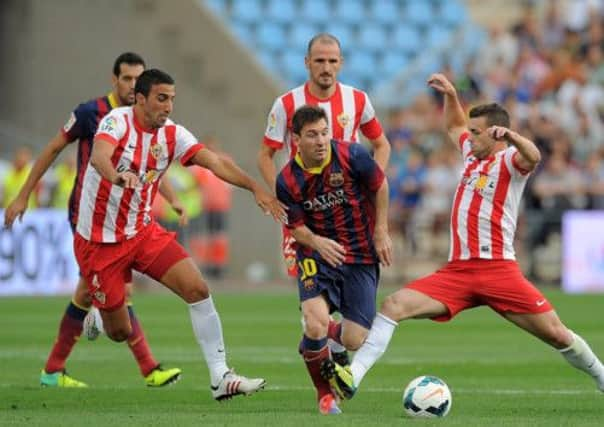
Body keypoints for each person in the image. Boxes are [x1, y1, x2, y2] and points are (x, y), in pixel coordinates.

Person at [324, 73, 604, 401]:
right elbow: (454, 126)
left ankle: (600, 375)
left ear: (495, 134)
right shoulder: (471, 154)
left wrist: (512, 136)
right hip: (458, 272)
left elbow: (534, 157)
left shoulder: (509, 162)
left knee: (557, 334)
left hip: (498, 270)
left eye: (476, 133)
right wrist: (452, 96)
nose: (467, 137)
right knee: (393, 305)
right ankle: (352, 377)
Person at [77, 68, 283, 400]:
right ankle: (100, 315)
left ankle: (221, 377)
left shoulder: (172, 134)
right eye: (161, 99)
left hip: (143, 233)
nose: (169, 106)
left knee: (197, 288)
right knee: (120, 331)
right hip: (100, 242)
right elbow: (100, 157)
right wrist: (117, 177)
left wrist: (254, 188)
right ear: (140, 99)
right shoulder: (117, 121)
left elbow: (214, 162)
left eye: (172, 99)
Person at [3, 53, 183, 388]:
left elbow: (153, 163)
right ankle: (147, 367)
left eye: (137, 79)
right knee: (103, 290)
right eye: (126, 79)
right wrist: (24, 193)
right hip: (90, 220)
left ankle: (54, 370)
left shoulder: (146, 120)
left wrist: (170, 197)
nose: (132, 85)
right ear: (114, 80)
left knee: (90, 292)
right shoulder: (92, 113)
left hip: (129, 222)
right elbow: (53, 148)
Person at [258, 32, 391, 368]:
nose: (326, 67)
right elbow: (265, 154)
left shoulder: (357, 100)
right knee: (313, 304)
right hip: (309, 214)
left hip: (351, 213)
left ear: (341, 63)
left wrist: (373, 186)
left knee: (352, 324)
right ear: (307, 63)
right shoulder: (287, 104)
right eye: (319, 60)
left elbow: (382, 144)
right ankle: (321, 337)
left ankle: (328, 339)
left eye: (332, 61)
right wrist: (276, 197)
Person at [275, 105, 392, 414]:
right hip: (316, 254)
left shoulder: (352, 155)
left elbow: (380, 185)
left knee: (354, 339)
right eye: (312, 135)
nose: (321, 140)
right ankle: (325, 395)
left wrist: (381, 231)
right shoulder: (287, 180)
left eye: (324, 133)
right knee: (315, 322)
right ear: (296, 138)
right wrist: (316, 242)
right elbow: (296, 228)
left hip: (360, 254)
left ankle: (317, 340)